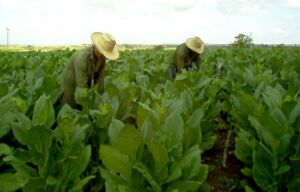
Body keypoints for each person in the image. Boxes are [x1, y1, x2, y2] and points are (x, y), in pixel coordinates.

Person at [61, 32, 119, 109]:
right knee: (70, 109)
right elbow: (81, 86)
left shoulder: (102, 58)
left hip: (83, 83)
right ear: (98, 49)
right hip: (71, 85)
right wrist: (88, 106)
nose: (104, 55)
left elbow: (100, 79)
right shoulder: (82, 58)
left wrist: (100, 100)